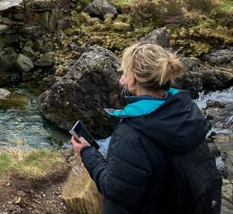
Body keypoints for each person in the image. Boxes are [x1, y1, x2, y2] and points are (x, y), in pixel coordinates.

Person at [71, 42, 220, 214]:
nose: (122, 78)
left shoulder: (131, 135)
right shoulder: (187, 113)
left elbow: (116, 191)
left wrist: (87, 153)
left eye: (125, 73)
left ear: (132, 79)